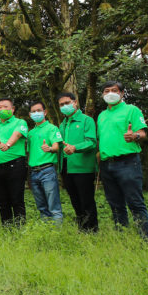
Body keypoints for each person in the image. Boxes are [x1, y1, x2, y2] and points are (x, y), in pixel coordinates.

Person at [97, 81, 148, 240]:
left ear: (122, 93)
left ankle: (147, 239)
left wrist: (134, 136)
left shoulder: (132, 110)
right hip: (107, 164)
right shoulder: (101, 116)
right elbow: (103, 140)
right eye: (106, 91)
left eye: (114, 90)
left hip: (127, 163)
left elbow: (142, 133)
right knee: (115, 204)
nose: (110, 93)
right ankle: (122, 237)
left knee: (135, 202)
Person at [58, 92, 99, 232]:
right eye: (61, 104)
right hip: (67, 168)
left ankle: (92, 230)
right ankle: (82, 228)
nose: (65, 106)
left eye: (67, 103)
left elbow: (92, 142)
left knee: (86, 200)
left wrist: (75, 148)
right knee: (75, 201)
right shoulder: (62, 125)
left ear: (75, 102)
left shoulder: (86, 120)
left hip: (83, 168)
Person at [0, 97, 28, 225]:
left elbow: (16, 135)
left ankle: (20, 227)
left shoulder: (20, 122)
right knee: (2, 200)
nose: (2, 109)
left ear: (12, 109)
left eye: (5, 106)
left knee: (16, 198)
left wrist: (8, 145)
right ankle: (7, 227)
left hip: (15, 164)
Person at [27, 101, 64, 225]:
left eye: (39, 110)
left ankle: (57, 233)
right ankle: (46, 230)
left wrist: (50, 148)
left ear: (45, 112)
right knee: (41, 205)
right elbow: (29, 153)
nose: (36, 113)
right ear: (30, 114)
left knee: (53, 205)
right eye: (33, 111)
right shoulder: (30, 133)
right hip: (33, 172)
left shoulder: (52, 128)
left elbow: (56, 146)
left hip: (47, 170)